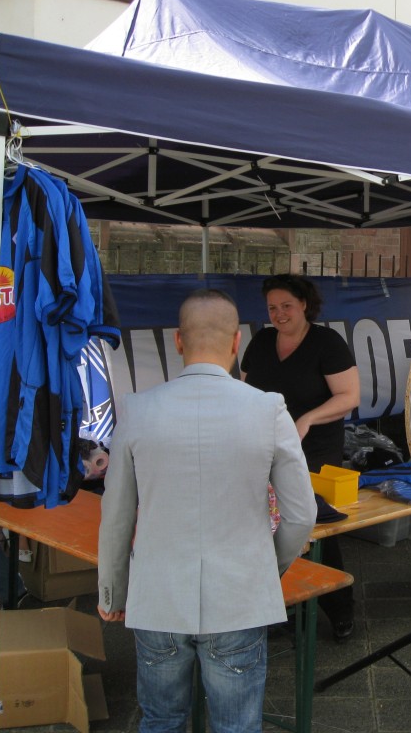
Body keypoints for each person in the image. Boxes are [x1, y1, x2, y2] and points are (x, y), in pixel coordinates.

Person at [97, 289, 317, 733]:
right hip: (239, 597)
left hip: (158, 596)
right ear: (237, 342)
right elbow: (300, 515)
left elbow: (117, 514)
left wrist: (112, 592)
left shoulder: (137, 410)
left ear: (178, 340)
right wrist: (265, 570)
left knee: (160, 722)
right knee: (236, 726)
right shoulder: (269, 408)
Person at [240, 274, 361, 638]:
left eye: (286, 306)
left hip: (315, 452)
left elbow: (349, 396)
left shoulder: (327, 343)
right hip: (264, 449)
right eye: (272, 308)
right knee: (267, 525)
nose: (279, 314)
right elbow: (244, 390)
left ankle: (339, 606)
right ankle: (284, 605)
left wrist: (306, 419)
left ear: (304, 304)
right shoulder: (261, 341)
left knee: (313, 528)